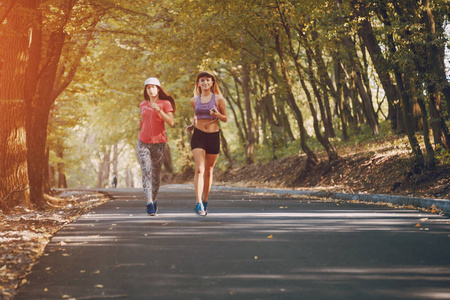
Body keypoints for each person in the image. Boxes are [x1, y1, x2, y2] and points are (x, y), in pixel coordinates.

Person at [186, 71, 227, 216]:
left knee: (209, 171)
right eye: (202, 80)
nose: (205, 83)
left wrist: (217, 115)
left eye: (207, 80)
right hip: (198, 136)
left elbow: (225, 118)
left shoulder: (219, 99)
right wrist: (192, 125)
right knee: (199, 169)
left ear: (212, 83)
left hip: (213, 136)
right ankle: (198, 203)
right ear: (198, 83)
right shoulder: (194, 100)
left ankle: (205, 200)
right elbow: (196, 116)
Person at [137, 77, 175, 216]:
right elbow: (145, 120)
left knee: (155, 173)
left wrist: (159, 110)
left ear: (158, 89)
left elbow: (171, 123)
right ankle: (149, 203)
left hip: (159, 144)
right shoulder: (142, 104)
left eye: (153, 87)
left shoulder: (165, 103)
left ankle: (154, 198)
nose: (151, 90)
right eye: (148, 87)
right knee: (146, 171)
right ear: (146, 90)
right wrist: (140, 124)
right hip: (143, 142)